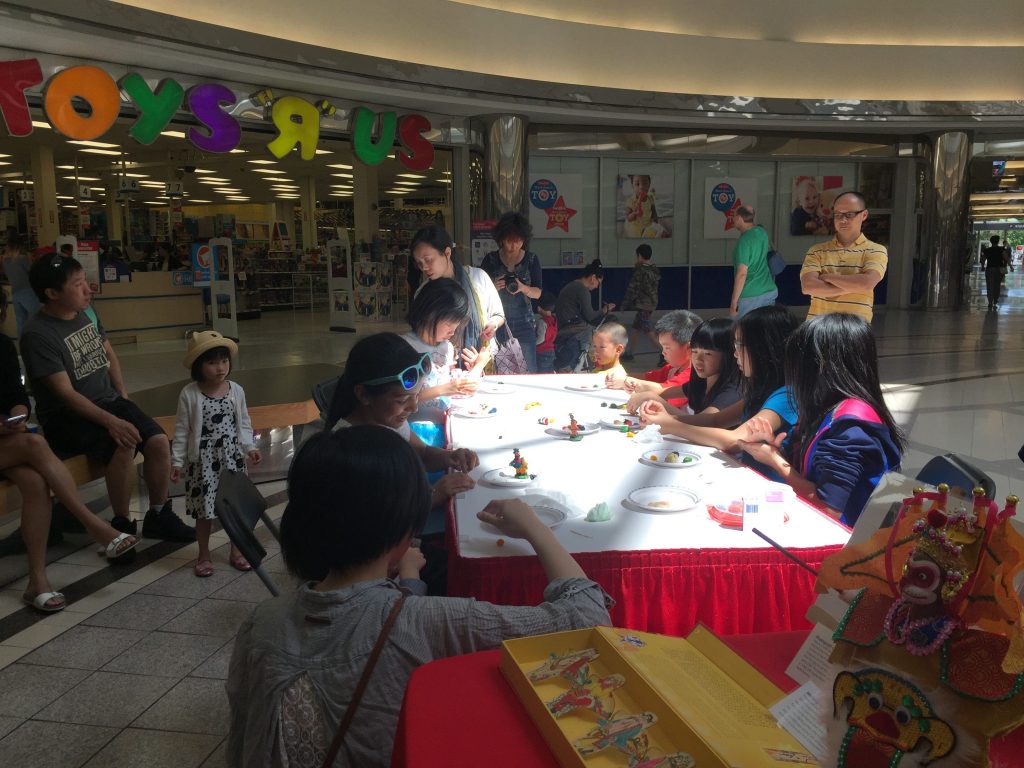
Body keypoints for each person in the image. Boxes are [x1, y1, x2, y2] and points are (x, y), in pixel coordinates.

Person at [226, 426, 612, 768]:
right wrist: (534, 526)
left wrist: (408, 579)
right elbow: (587, 618)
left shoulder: (261, 622)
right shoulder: (428, 621)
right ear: (403, 532)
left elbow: (244, 735)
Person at [20, 254, 194, 541]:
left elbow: (108, 353)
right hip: (66, 416)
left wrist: (122, 399)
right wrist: (113, 421)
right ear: (52, 294)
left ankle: (159, 514)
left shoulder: (86, 311)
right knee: (123, 444)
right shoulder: (37, 335)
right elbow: (64, 393)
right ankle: (122, 524)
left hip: (108, 401)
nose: (88, 289)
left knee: (159, 441)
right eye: (78, 285)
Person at [0, 288, 137, 612]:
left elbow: (17, 394)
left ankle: (37, 582)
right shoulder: (34, 333)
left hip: (7, 442)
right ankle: (95, 525)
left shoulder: (3, 346)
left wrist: (16, 416)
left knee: (35, 482)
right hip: (13, 443)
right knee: (35, 444)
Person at [738, 313, 904, 527]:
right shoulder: (833, 408)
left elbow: (829, 509)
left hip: (847, 541)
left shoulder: (850, 429)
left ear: (821, 366)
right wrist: (779, 452)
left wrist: (775, 461)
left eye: (797, 365)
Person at [639, 305, 800, 479]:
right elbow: (716, 420)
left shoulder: (785, 396)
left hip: (767, 487)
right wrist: (668, 419)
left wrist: (671, 425)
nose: (735, 354)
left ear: (765, 349)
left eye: (739, 346)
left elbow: (733, 441)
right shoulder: (759, 389)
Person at [171, 331, 262, 578]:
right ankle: (203, 554)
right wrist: (177, 461)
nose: (220, 367)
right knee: (204, 512)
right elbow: (181, 430)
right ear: (198, 366)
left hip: (231, 459)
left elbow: (243, 423)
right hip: (202, 462)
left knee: (234, 508)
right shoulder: (189, 393)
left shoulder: (236, 391)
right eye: (212, 363)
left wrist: (250, 448)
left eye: (224, 361)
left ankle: (237, 551)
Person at [411, 225, 504, 372]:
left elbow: (498, 314)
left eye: (428, 260)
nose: (424, 267)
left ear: (447, 253)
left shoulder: (477, 277)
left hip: (480, 359)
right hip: (443, 368)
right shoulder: (423, 293)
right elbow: (421, 337)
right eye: (419, 263)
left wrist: (492, 325)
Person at [800, 191, 888, 322]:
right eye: (838, 215)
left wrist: (827, 277)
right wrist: (853, 285)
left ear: (864, 215)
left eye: (849, 214)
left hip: (855, 331)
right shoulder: (816, 251)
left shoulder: (876, 250)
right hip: (818, 329)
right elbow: (808, 287)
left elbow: (867, 283)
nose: (843, 220)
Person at [402, 277, 479, 418]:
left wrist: (463, 384)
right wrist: (446, 389)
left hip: (443, 421)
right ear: (429, 313)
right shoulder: (405, 347)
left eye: (456, 326)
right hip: (415, 425)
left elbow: (443, 382)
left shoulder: (447, 347)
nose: (452, 332)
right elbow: (403, 398)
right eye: (449, 324)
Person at [479, 212, 542, 372]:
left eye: (518, 241)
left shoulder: (532, 259)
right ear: (501, 239)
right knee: (499, 370)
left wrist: (523, 287)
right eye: (509, 241)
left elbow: (538, 293)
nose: (514, 246)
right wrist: (493, 285)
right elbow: (479, 291)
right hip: (496, 323)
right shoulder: (491, 259)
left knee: (529, 370)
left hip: (524, 323)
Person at [616, 310, 701, 411]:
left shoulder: (694, 374)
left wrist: (629, 381)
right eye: (662, 347)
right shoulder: (673, 369)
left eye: (667, 348)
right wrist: (623, 376)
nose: (663, 352)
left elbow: (665, 391)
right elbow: (648, 377)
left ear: (688, 347)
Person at [553, 260, 615, 372]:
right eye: (598, 283)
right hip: (573, 330)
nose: (597, 287)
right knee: (594, 333)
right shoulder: (582, 290)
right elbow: (590, 316)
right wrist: (604, 310)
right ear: (593, 278)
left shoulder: (572, 285)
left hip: (563, 327)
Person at [730, 205, 777, 318]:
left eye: (734, 216)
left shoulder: (744, 241)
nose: (732, 219)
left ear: (739, 218)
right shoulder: (762, 232)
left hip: (750, 296)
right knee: (764, 330)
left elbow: (742, 274)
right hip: (769, 290)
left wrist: (734, 302)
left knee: (744, 332)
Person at [620, 243, 660, 360]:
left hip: (644, 305)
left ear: (639, 256)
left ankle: (663, 353)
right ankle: (629, 354)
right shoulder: (654, 269)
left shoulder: (641, 271)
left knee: (649, 332)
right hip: (651, 303)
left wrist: (624, 304)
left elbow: (632, 289)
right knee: (635, 329)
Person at [2, 233, 39, 337]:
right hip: (28, 292)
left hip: (15, 294)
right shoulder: (22, 258)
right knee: (36, 319)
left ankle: (22, 346)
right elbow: (32, 273)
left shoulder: (5, 260)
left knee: (20, 322)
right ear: (20, 245)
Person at [981, 234, 1009, 311]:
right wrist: (1011, 266)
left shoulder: (987, 250)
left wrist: (983, 266)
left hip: (990, 269)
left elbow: (983, 259)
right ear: (998, 241)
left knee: (989, 285)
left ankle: (990, 301)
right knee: (997, 285)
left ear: (991, 241)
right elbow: (1006, 258)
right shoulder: (1001, 249)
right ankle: (995, 300)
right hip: (999, 270)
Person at [534, 291, 558, 374]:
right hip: (551, 351)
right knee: (549, 373)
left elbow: (540, 339)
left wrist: (532, 344)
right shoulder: (554, 320)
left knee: (541, 374)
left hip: (542, 352)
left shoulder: (542, 322)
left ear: (539, 308)